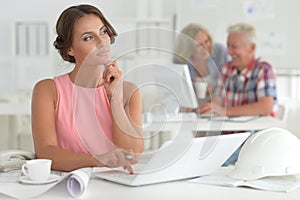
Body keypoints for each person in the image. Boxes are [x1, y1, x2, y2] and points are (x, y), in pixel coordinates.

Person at [31, 4, 144, 173]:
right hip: (69, 185)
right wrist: (95, 160)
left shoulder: (129, 92)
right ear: (70, 49)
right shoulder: (48, 90)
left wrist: (113, 97)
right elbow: (45, 152)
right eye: (88, 38)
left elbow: (133, 154)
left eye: (103, 32)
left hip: (117, 185)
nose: (101, 42)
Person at [199, 22, 277, 117]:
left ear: (252, 48)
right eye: (228, 46)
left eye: (234, 47)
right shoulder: (226, 69)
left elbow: (265, 108)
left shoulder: (264, 70)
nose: (228, 52)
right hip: (231, 130)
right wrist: (208, 107)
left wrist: (226, 111)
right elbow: (217, 101)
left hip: (255, 130)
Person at [174, 23, 228, 95]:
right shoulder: (179, 60)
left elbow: (230, 79)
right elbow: (178, 89)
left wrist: (215, 87)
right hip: (193, 103)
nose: (205, 48)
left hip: (218, 101)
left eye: (206, 41)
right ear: (188, 48)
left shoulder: (220, 52)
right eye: (198, 45)